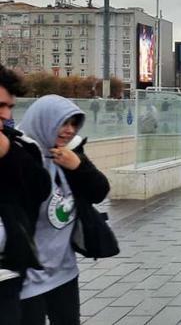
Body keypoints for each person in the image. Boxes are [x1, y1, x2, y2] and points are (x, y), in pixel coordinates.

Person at [18, 95, 111, 325]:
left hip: (64, 270)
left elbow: (99, 191)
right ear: (44, 121)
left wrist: (78, 166)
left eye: (74, 124)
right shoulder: (20, 156)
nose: (69, 131)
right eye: (63, 123)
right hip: (27, 275)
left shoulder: (69, 153)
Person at [0, 66, 51, 324]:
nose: (6, 114)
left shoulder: (17, 145)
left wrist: (7, 151)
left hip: (7, 276)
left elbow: (40, 188)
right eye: (0, 105)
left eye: (9, 106)